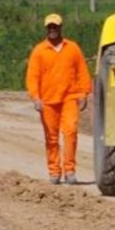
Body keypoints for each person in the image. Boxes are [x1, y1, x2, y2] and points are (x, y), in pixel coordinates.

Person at [25, 13, 92, 185]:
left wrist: (84, 92)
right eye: (49, 27)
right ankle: (54, 172)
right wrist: (35, 97)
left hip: (70, 98)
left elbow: (82, 71)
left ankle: (70, 171)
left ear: (61, 27)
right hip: (47, 101)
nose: (52, 29)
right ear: (46, 29)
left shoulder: (73, 48)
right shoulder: (39, 51)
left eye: (55, 26)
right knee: (51, 137)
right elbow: (32, 77)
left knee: (70, 132)